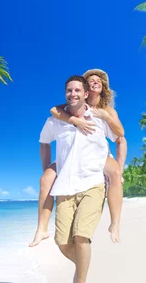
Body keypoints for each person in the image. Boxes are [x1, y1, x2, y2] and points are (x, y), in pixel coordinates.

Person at [38, 75, 117, 283]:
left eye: (77, 91)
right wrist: (46, 169)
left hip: (93, 183)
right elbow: (43, 141)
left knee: (81, 237)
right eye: (69, 91)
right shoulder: (56, 120)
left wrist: (116, 164)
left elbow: (119, 135)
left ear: (85, 94)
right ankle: (85, 263)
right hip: (65, 186)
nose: (73, 94)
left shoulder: (99, 117)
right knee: (62, 242)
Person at [29, 69, 127, 246]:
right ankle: (42, 228)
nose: (95, 82)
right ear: (86, 88)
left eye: (99, 80)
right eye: (91, 80)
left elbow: (121, 136)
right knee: (46, 180)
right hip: (70, 155)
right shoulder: (71, 108)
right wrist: (75, 121)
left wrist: (120, 167)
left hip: (96, 155)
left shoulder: (105, 111)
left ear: (103, 87)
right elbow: (54, 110)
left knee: (115, 174)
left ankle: (115, 224)